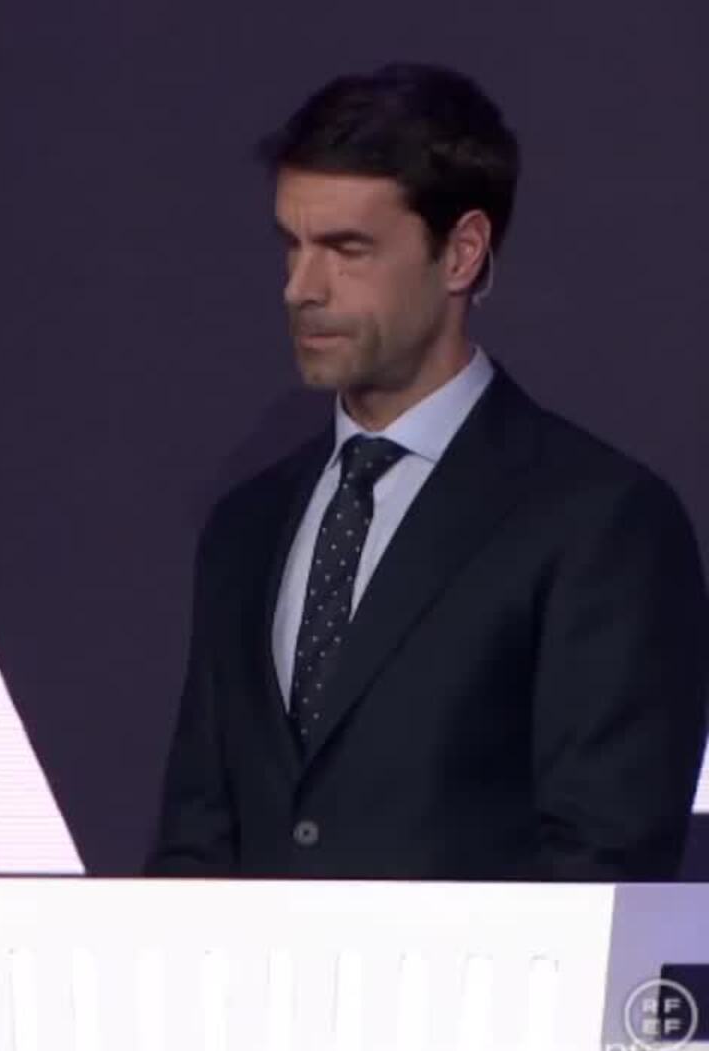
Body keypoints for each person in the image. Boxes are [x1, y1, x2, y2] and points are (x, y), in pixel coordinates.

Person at [147, 63, 709, 881]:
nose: (301, 288)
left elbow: (601, 862)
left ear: (461, 254)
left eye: (347, 250)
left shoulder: (600, 521)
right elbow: (196, 846)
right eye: (293, 246)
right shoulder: (247, 525)